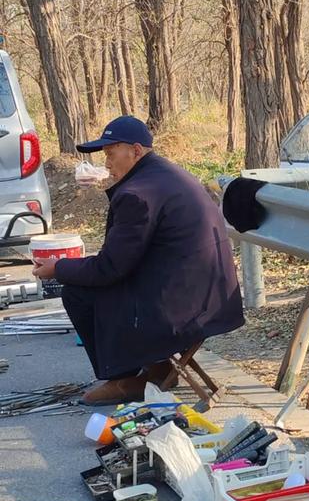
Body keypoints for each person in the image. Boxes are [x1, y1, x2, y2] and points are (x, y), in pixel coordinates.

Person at [32, 115, 244, 405]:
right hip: (212, 297)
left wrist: (58, 268)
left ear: (135, 150)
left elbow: (110, 268)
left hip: (184, 307)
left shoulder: (138, 194)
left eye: (110, 153)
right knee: (98, 284)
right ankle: (156, 367)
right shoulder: (165, 174)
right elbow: (123, 258)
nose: (106, 163)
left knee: (78, 293)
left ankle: (126, 378)